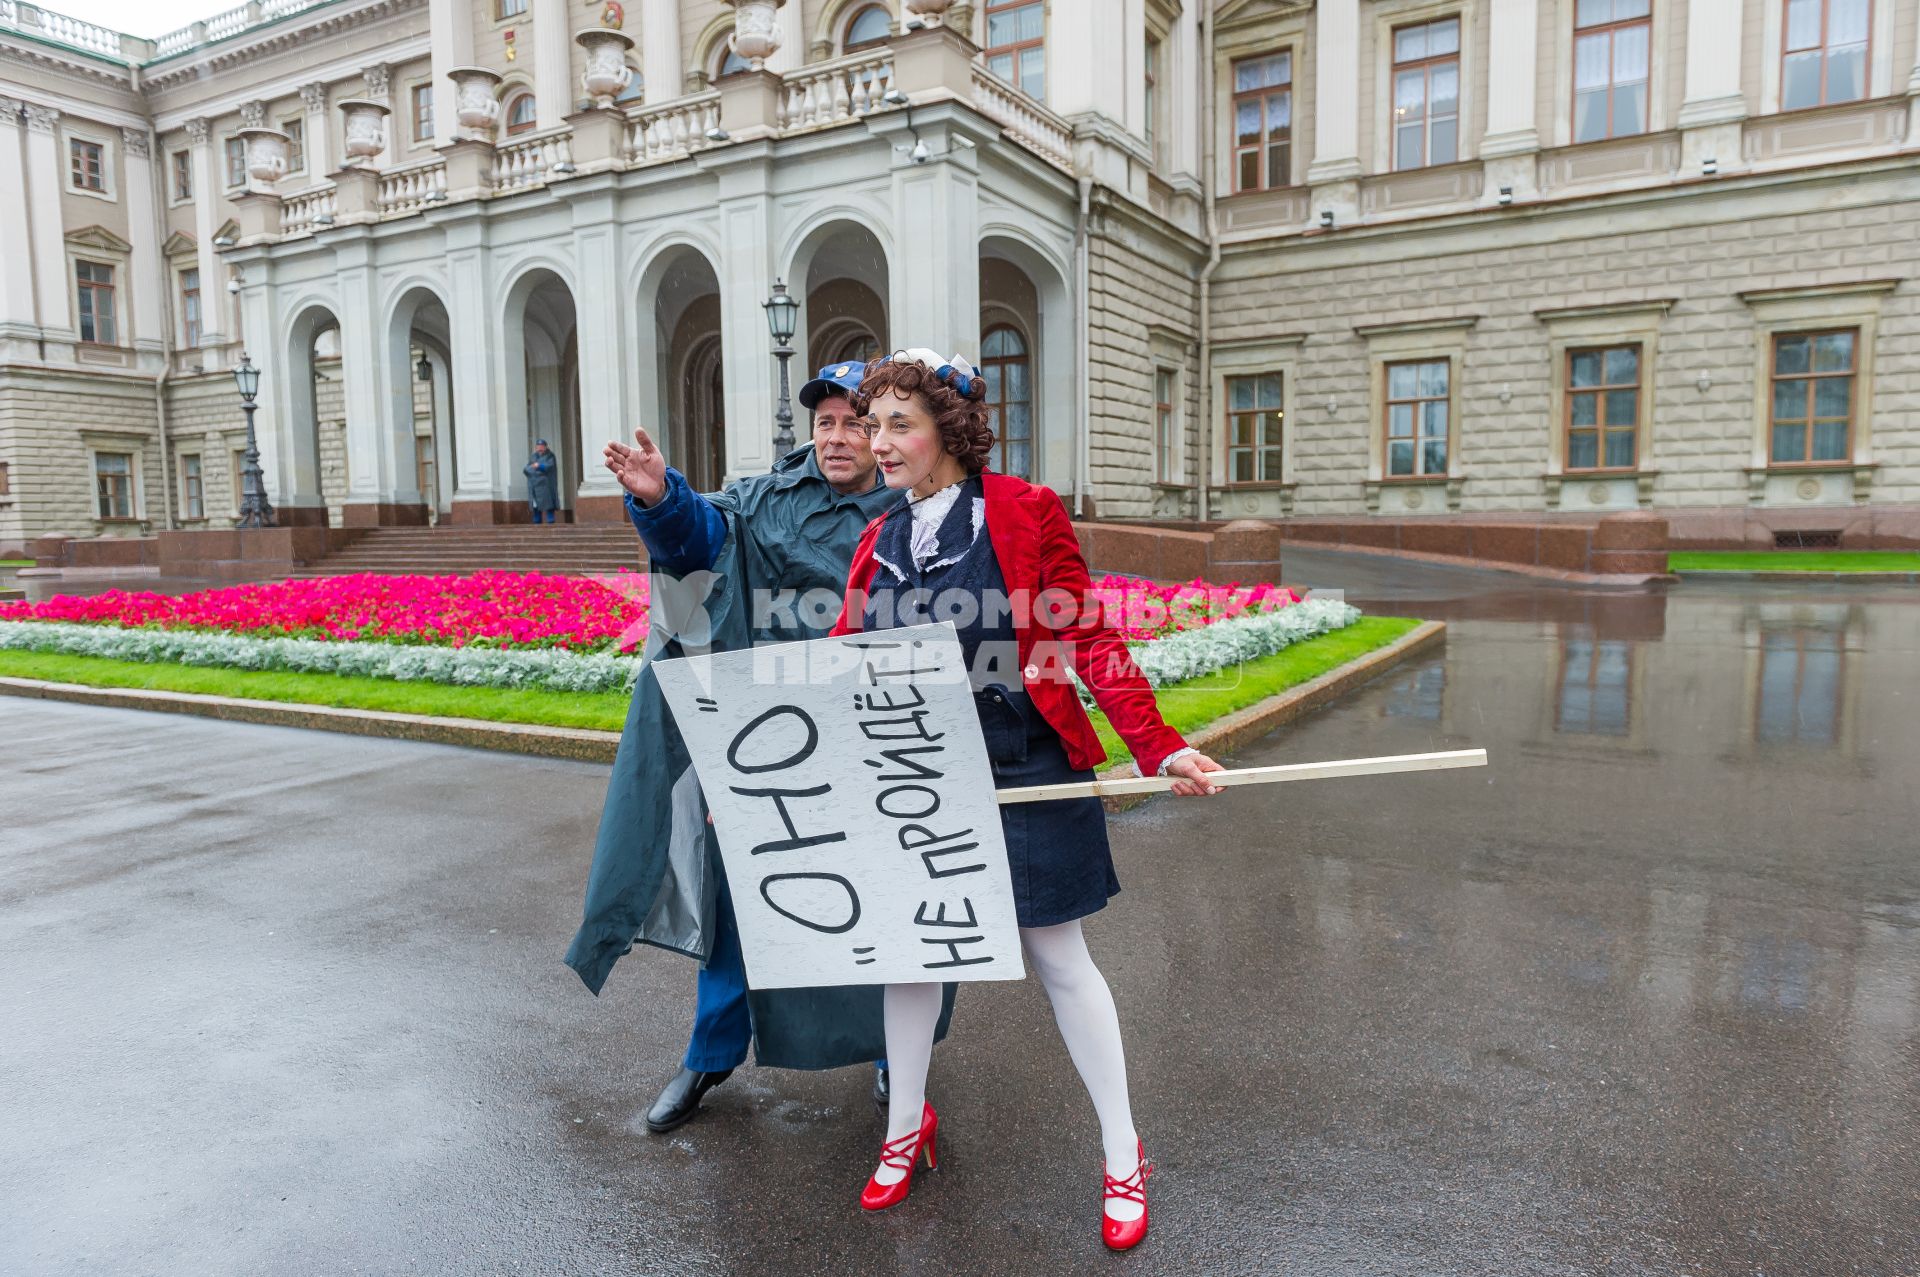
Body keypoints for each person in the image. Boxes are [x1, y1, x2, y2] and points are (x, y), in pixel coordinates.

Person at [830, 349, 1225, 1251]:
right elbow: (840, 665)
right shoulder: (877, 538)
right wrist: (757, 782)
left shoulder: (1024, 511)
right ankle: (905, 1129)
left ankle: (1124, 1153)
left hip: (1024, 759)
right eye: (869, 423)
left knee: (1059, 957)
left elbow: (1086, 631)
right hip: (921, 775)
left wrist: (1157, 746)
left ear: (950, 431)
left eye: (898, 423)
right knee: (913, 958)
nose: (876, 442)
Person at [566, 362, 946, 1134]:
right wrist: (660, 498)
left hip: (873, 738)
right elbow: (701, 545)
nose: (838, 437)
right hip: (769, 744)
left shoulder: (920, 508)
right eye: (826, 422)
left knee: (884, 898)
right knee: (746, 902)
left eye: (855, 422)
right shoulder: (762, 498)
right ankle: (710, 1054)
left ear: (881, 432)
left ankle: (892, 1058)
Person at [523, 440, 559, 524]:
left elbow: (548, 467)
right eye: (538, 447)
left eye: (542, 446)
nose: (540, 448)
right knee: (536, 509)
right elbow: (526, 469)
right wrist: (536, 469)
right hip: (535, 486)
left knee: (549, 506)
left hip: (546, 486)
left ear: (545, 447)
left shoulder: (550, 456)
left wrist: (538, 466)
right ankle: (537, 525)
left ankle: (551, 524)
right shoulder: (533, 456)